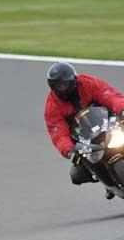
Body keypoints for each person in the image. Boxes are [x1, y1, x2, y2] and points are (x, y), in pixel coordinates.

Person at [44, 62, 124, 197]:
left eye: (65, 84)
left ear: (74, 81)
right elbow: (58, 134)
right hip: (83, 139)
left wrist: (122, 109)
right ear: (53, 87)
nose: (63, 89)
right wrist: (69, 151)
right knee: (76, 175)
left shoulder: (88, 83)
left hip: (107, 123)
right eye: (59, 86)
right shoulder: (52, 107)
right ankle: (108, 184)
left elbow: (109, 96)